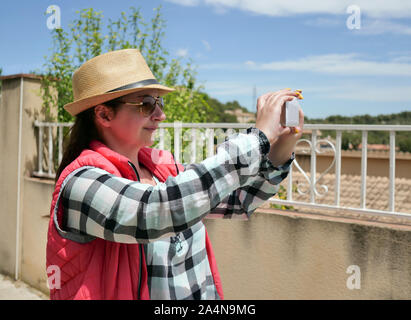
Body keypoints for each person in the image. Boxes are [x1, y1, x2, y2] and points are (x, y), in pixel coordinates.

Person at [46, 48, 304, 300]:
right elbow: (155, 212)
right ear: (104, 114)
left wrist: (282, 143)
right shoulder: (81, 183)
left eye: (160, 102)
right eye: (147, 104)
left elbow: (239, 201)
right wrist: (257, 139)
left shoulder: (163, 170)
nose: (161, 115)